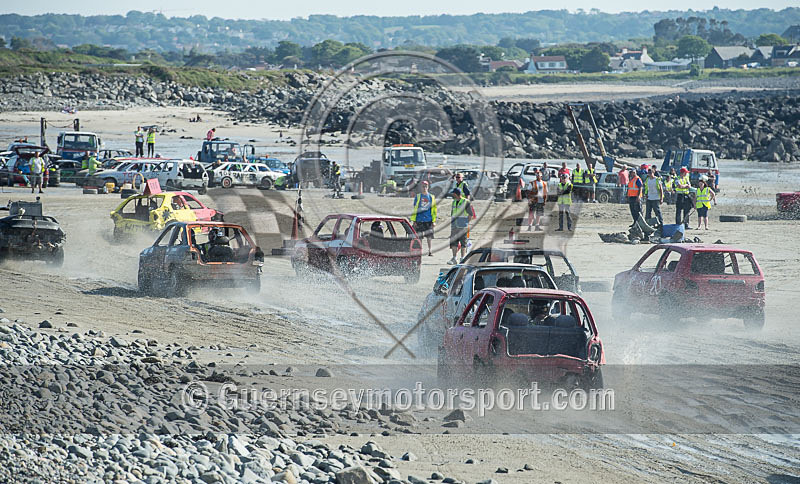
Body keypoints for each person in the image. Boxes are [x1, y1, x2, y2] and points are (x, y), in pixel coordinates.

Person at [410, 180, 437, 256]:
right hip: (419, 219)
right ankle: (420, 251)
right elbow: (415, 208)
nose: (424, 188)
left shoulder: (431, 197)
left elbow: (434, 209)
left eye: (426, 186)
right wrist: (414, 220)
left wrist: (434, 221)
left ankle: (430, 251)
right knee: (419, 236)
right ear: (421, 187)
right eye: (423, 186)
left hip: (428, 219)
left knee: (429, 237)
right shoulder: (418, 196)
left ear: (428, 187)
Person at [448, 188, 473, 264]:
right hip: (454, 225)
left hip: (463, 225)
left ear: (456, 194)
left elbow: (470, 214)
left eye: (453, 194)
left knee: (463, 243)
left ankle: (462, 258)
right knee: (454, 243)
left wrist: (466, 222)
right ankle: (454, 258)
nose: (452, 195)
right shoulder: (454, 202)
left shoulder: (466, 202)